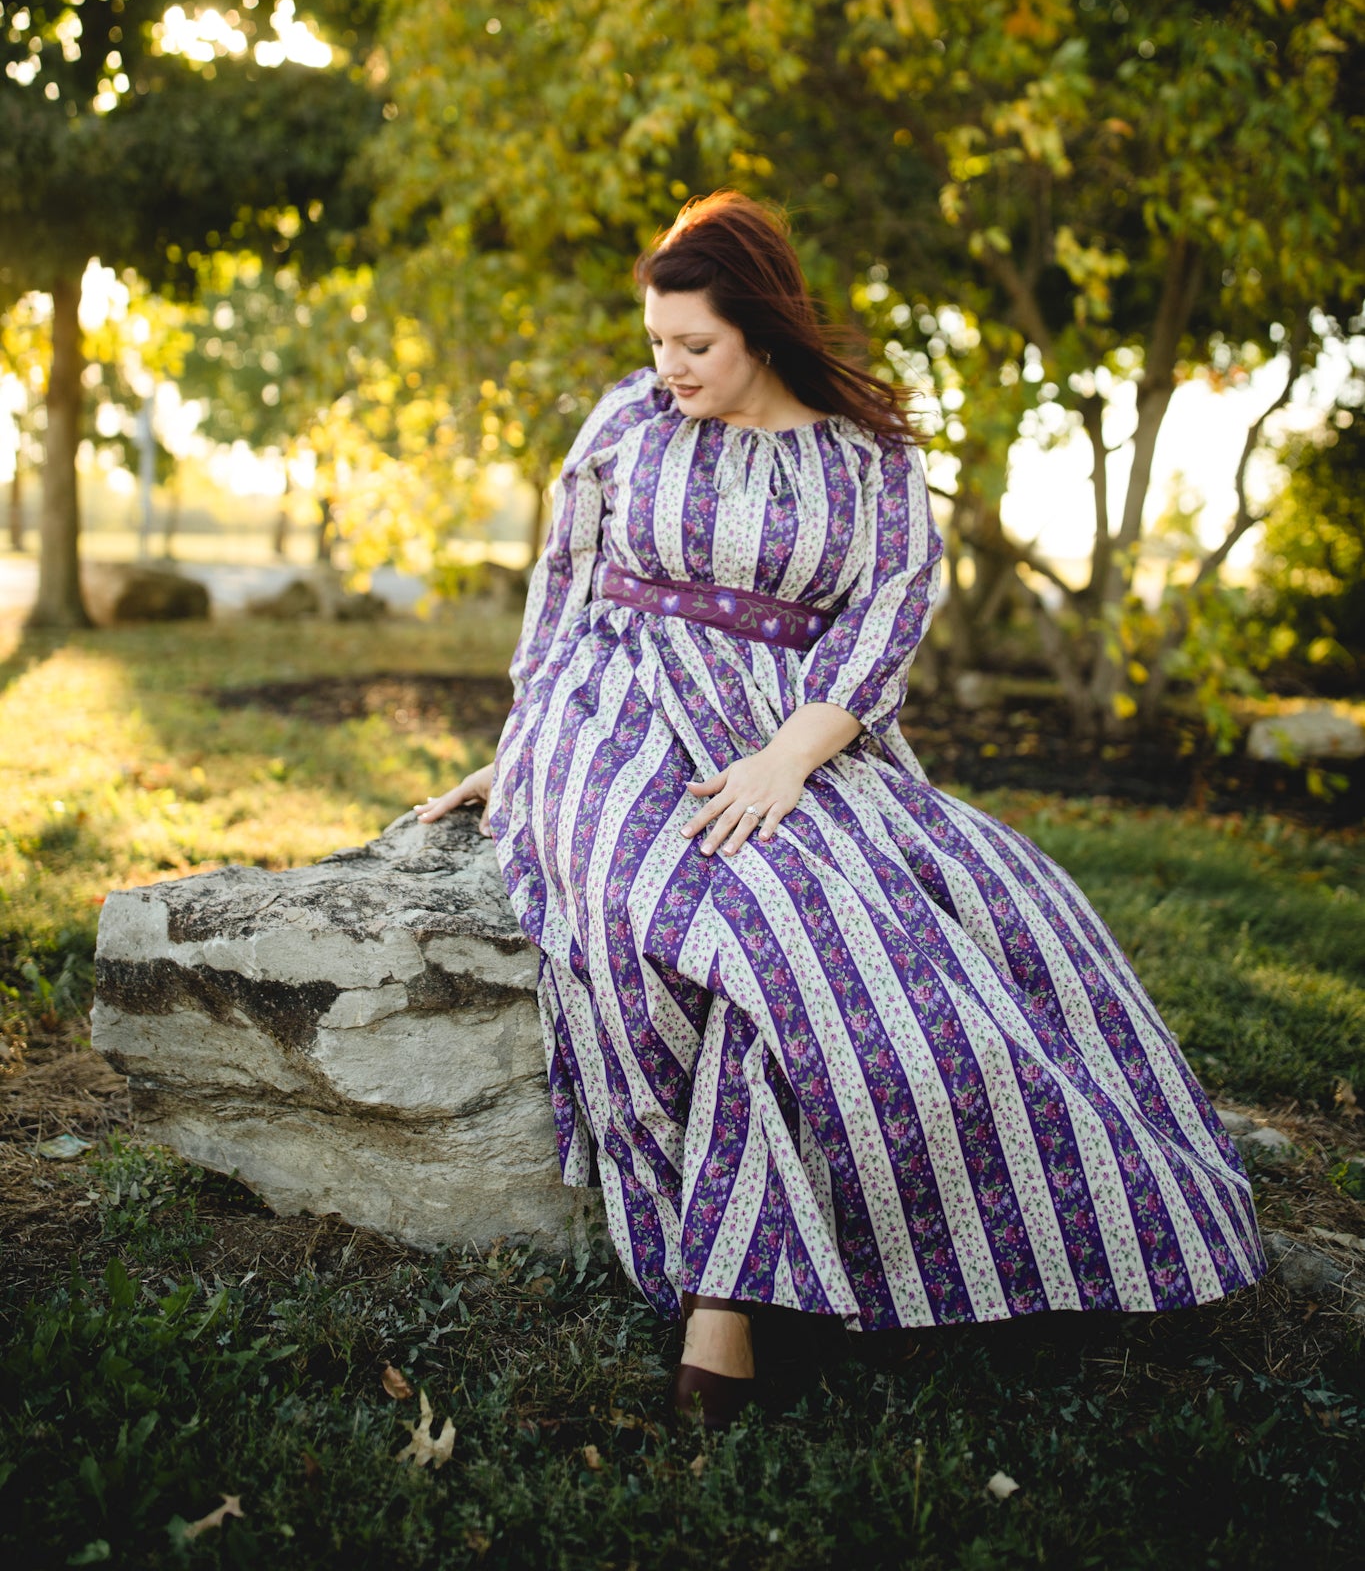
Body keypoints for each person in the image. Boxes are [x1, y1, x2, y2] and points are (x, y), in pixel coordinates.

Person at [417, 191, 1264, 1428]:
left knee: (884, 923)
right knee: (700, 925)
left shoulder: (867, 458)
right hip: (617, 708)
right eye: (657, 341)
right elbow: (562, 591)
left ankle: (749, 1295)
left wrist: (785, 762)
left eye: (693, 345)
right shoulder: (623, 425)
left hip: (797, 729)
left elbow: (882, 629)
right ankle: (741, 1294)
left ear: (759, 327)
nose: (670, 367)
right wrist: (527, 745)